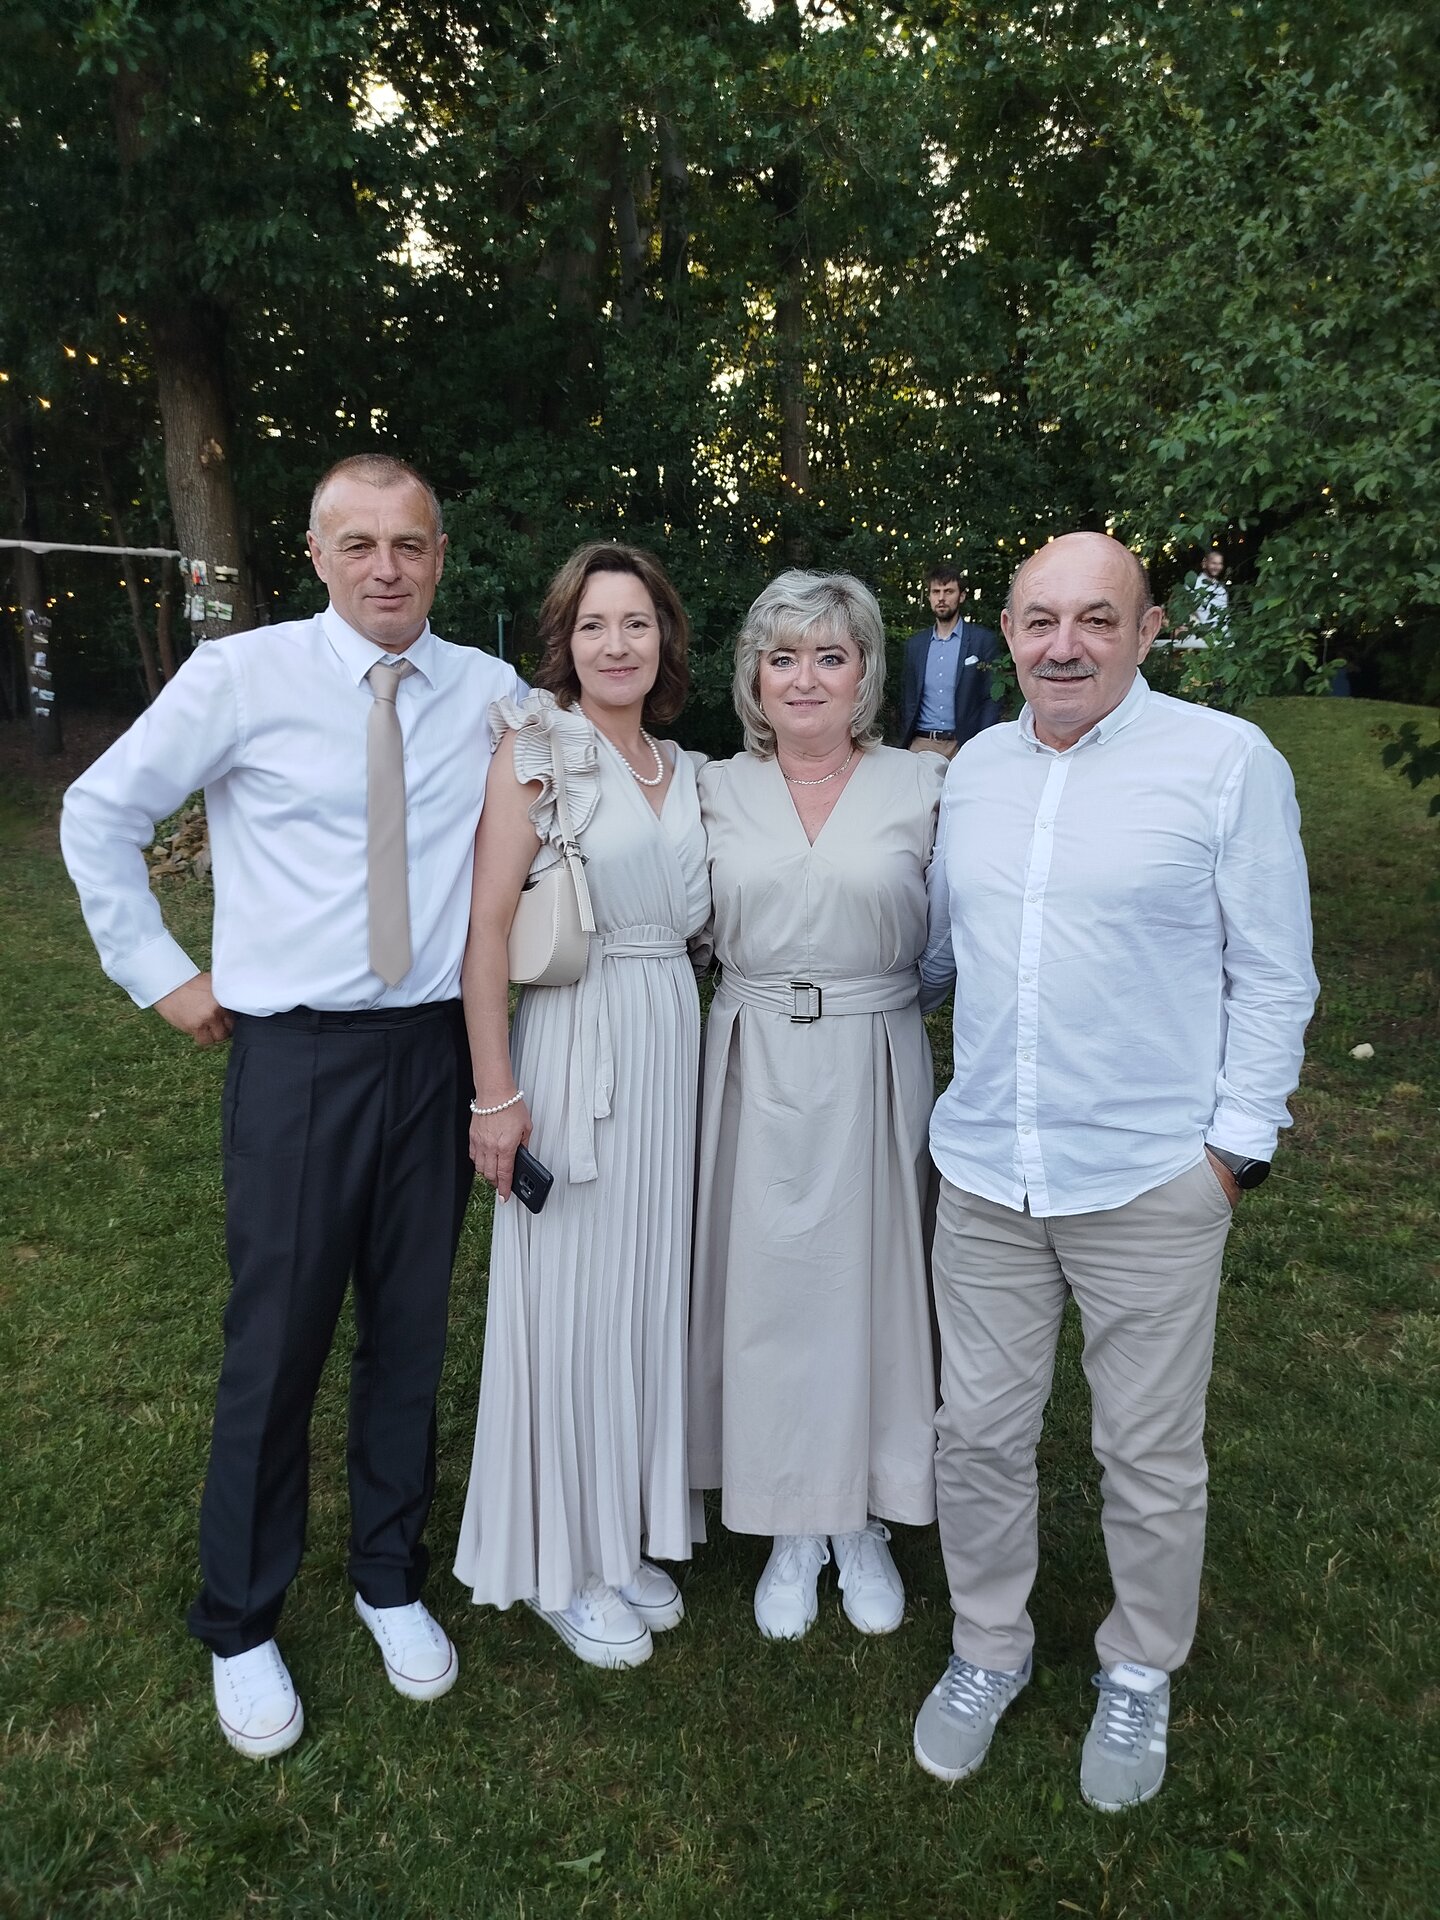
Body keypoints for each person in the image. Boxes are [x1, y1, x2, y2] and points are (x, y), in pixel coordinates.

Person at [60, 455, 519, 1758]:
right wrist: (162, 975)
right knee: (278, 1340)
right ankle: (241, 1616)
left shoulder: (488, 692)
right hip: (297, 1059)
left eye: (410, 543)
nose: (387, 566)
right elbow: (99, 812)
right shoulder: (241, 678)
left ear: (440, 557)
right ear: (315, 556)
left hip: (430, 1053)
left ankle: (388, 1575)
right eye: (357, 543)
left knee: (411, 1332)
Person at [912, 531, 1317, 1810]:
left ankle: (1139, 1669)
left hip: (1150, 1178)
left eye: (1098, 618)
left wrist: (1233, 1154)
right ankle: (988, 1646)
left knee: (1148, 1454)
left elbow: (1275, 974)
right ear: (1007, 633)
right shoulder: (975, 771)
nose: (1065, 644)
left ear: (1147, 631)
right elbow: (938, 954)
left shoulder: (1224, 762)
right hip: (988, 1172)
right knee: (977, 1436)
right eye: (1040, 619)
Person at [452, 543, 708, 1670]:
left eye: (637, 623)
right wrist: (495, 1093)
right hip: (572, 1045)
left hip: (669, 1042)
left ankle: (621, 1526)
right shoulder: (537, 748)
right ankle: (561, 1561)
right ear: (565, 639)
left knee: (645, 1291)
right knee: (567, 1302)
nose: (617, 644)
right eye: (595, 624)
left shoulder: (682, 765)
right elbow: (486, 929)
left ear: (665, 640)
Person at [689, 571, 945, 1640]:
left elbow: (951, 941)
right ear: (754, 674)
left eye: (830, 656)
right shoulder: (708, 788)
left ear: (865, 673)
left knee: (873, 1288)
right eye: (783, 656)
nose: (805, 678)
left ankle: (862, 1516)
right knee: (768, 1292)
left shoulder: (927, 786)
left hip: (874, 1063)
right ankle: (791, 1523)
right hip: (750, 1061)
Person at [897, 563, 1003, 756]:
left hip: (963, 745)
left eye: (948, 591)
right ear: (929, 597)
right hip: (920, 744)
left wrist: (980, 743)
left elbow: (991, 699)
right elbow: (907, 698)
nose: (941, 598)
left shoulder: (982, 641)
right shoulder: (916, 645)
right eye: (935, 591)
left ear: (961, 596)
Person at [1170, 547, 1229, 650]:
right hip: (1198, 641)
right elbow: (1182, 612)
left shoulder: (1221, 589)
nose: (1217, 567)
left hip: (1221, 640)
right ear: (1204, 563)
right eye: (1213, 563)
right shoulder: (1193, 585)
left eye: (1219, 564)